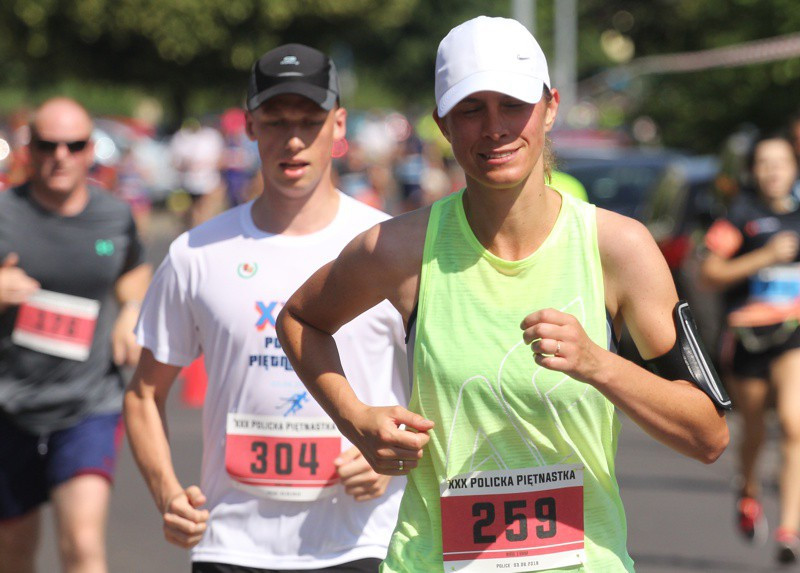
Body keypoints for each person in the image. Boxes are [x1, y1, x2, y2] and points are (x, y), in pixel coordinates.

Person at [277, 16, 729, 572]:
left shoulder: (618, 248)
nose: (495, 128)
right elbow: (300, 320)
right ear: (443, 123)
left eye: (513, 104)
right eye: (471, 109)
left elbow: (707, 434)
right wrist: (355, 419)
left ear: (551, 107)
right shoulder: (399, 249)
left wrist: (600, 364)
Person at [124, 43, 409, 573]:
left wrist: (394, 462)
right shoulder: (196, 254)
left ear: (339, 125)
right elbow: (143, 393)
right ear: (250, 127)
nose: (294, 139)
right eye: (275, 120)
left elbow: (448, 381)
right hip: (232, 545)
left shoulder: (385, 247)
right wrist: (167, 493)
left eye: (311, 119)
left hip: (364, 541)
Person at [0, 97, 151, 573]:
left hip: (88, 405)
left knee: (83, 545)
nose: (60, 156)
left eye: (74, 145)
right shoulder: (4, 213)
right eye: (48, 145)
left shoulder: (114, 216)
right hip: (10, 408)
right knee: (13, 553)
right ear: (29, 149)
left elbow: (134, 270)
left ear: (91, 151)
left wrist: (131, 309)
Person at [700, 133, 800, 563]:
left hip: (793, 333)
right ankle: (748, 488)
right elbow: (708, 271)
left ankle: (788, 530)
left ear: (794, 168)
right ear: (753, 170)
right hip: (748, 338)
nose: (773, 171)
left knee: (796, 426)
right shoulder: (739, 216)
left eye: (781, 162)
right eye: (765, 163)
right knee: (755, 429)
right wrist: (764, 257)